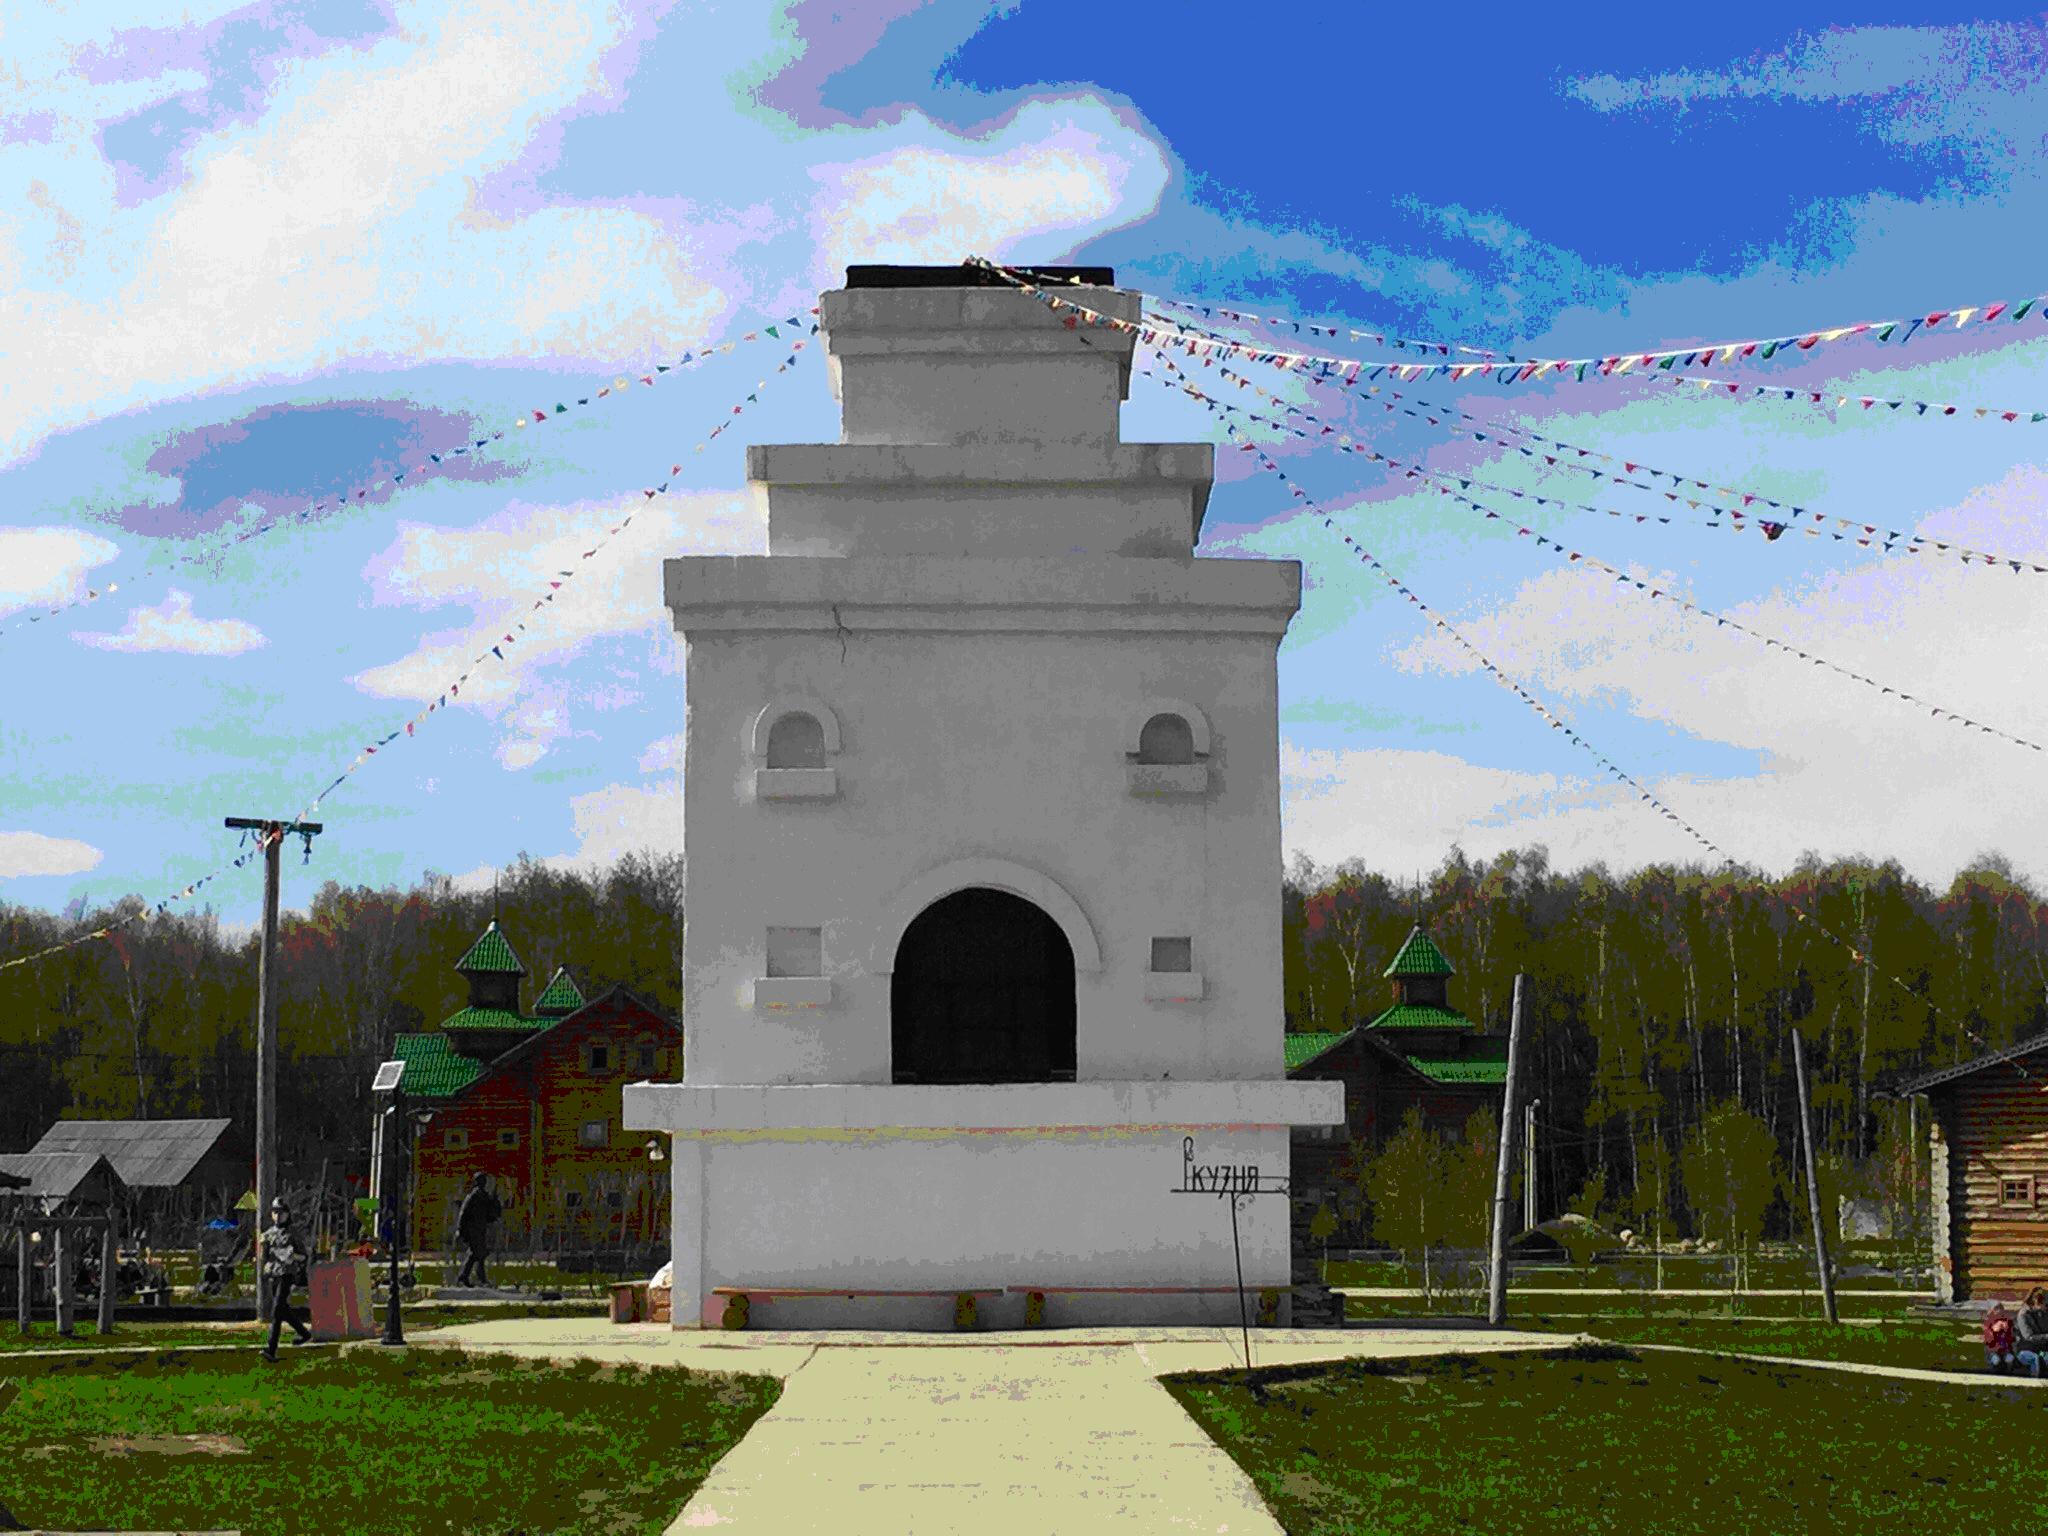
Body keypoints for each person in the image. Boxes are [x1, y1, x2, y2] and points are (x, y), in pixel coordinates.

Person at [260, 1197, 314, 1361]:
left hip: (287, 1274)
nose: (278, 1215)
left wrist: (292, 1257)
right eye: (275, 1212)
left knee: (276, 1311)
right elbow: (264, 1257)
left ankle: (271, 1349)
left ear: (287, 1214)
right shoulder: (268, 1234)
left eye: (281, 1212)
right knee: (282, 1310)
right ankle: (304, 1333)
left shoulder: (292, 1234)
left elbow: (304, 1256)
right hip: (273, 1274)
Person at [455, 1172, 503, 1288]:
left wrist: (495, 1200)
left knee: (477, 1254)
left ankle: (469, 1277)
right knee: (477, 1253)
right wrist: (460, 1230)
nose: (483, 1183)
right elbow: (463, 1214)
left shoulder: (483, 1196)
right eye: (482, 1181)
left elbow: (491, 1214)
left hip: (479, 1230)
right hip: (473, 1231)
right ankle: (474, 1278)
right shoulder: (473, 1197)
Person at [2016, 1288, 2048, 1379]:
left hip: (2040, 1350)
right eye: (2045, 1304)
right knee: (2035, 1359)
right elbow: (2028, 1337)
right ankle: (2035, 1383)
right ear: (2037, 1302)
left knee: (2045, 1357)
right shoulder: (2023, 1315)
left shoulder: (2041, 1313)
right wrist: (2046, 1336)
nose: (2046, 1306)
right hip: (2025, 1350)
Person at [1984, 1300, 2018, 1373]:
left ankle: (2009, 1374)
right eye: (1996, 1309)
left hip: (2006, 1351)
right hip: (1993, 1351)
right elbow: (1988, 1341)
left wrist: (2008, 1329)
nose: (1999, 1311)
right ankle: (1994, 1374)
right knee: (1996, 1360)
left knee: (2009, 1359)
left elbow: (2012, 1338)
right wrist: (1993, 1331)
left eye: (2001, 1308)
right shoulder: (1988, 1322)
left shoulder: (2008, 1321)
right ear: (1992, 1310)